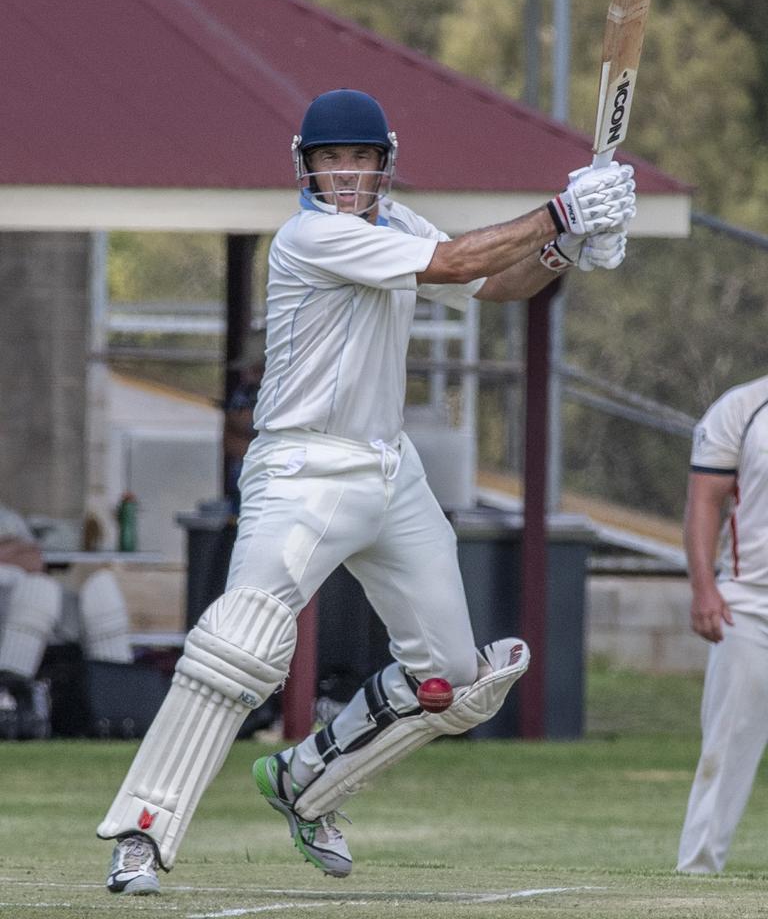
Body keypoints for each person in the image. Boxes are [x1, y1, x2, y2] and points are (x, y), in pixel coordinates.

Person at [98, 88, 635, 895]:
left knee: (453, 683)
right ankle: (141, 830)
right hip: (301, 471)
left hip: (390, 469)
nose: (346, 174)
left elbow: (491, 284)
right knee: (238, 647)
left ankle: (306, 783)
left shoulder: (399, 224)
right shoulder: (311, 237)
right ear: (306, 168)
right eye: (330, 160)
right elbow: (458, 262)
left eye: (360, 159)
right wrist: (562, 211)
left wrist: (567, 250)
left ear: (384, 163)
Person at [677, 374, 768, 874]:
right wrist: (703, 587)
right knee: (726, 745)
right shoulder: (743, 407)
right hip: (750, 601)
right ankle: (698, 871)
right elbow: (705, 500)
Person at [0, 502, 133, 738]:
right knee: (39, 589)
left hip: (37, 607)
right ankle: (9, 704)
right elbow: (29, 558)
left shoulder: (9, 516)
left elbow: (38, 554)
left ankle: (117, 710)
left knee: (103, 589)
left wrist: (19, 550)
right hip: (18, 599)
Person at [223, 331, 267, 513]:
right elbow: (229, 440)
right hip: (245, 486)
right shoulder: (245, 392)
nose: (249, 376)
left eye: (257, 370)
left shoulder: (286, 395)